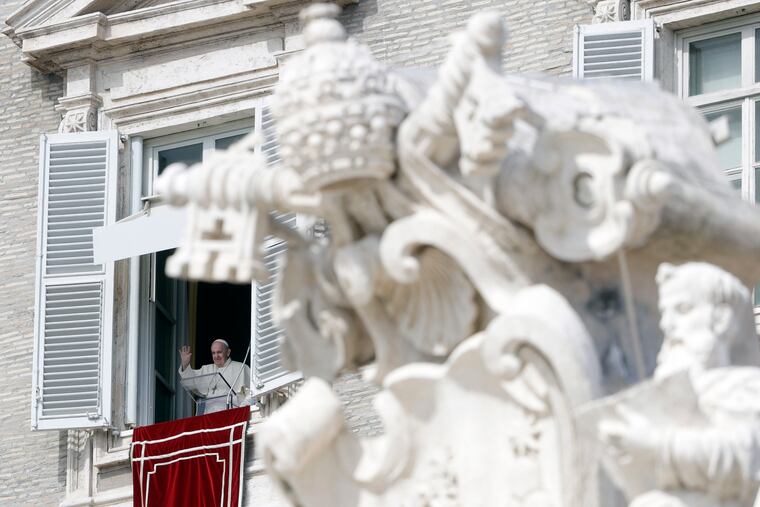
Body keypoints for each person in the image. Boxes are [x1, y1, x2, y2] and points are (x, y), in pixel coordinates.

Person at [599, 262, 760, 507]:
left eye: (683, 309)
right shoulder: (664, 393)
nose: (667, 325)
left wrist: (658, 445)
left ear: (721, 318)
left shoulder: (745, 386)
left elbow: (743, 457)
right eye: (665, 313)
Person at [178, 338, 251, 414]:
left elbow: (251, 394)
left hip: (232, 414)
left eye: (219, 352)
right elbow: (191, 381)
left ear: (228, 352)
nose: (216, 356)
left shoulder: (241, 368)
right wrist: (185, 365)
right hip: (209, 416)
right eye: (213, 353)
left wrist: (241, 410)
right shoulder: (207, 369)